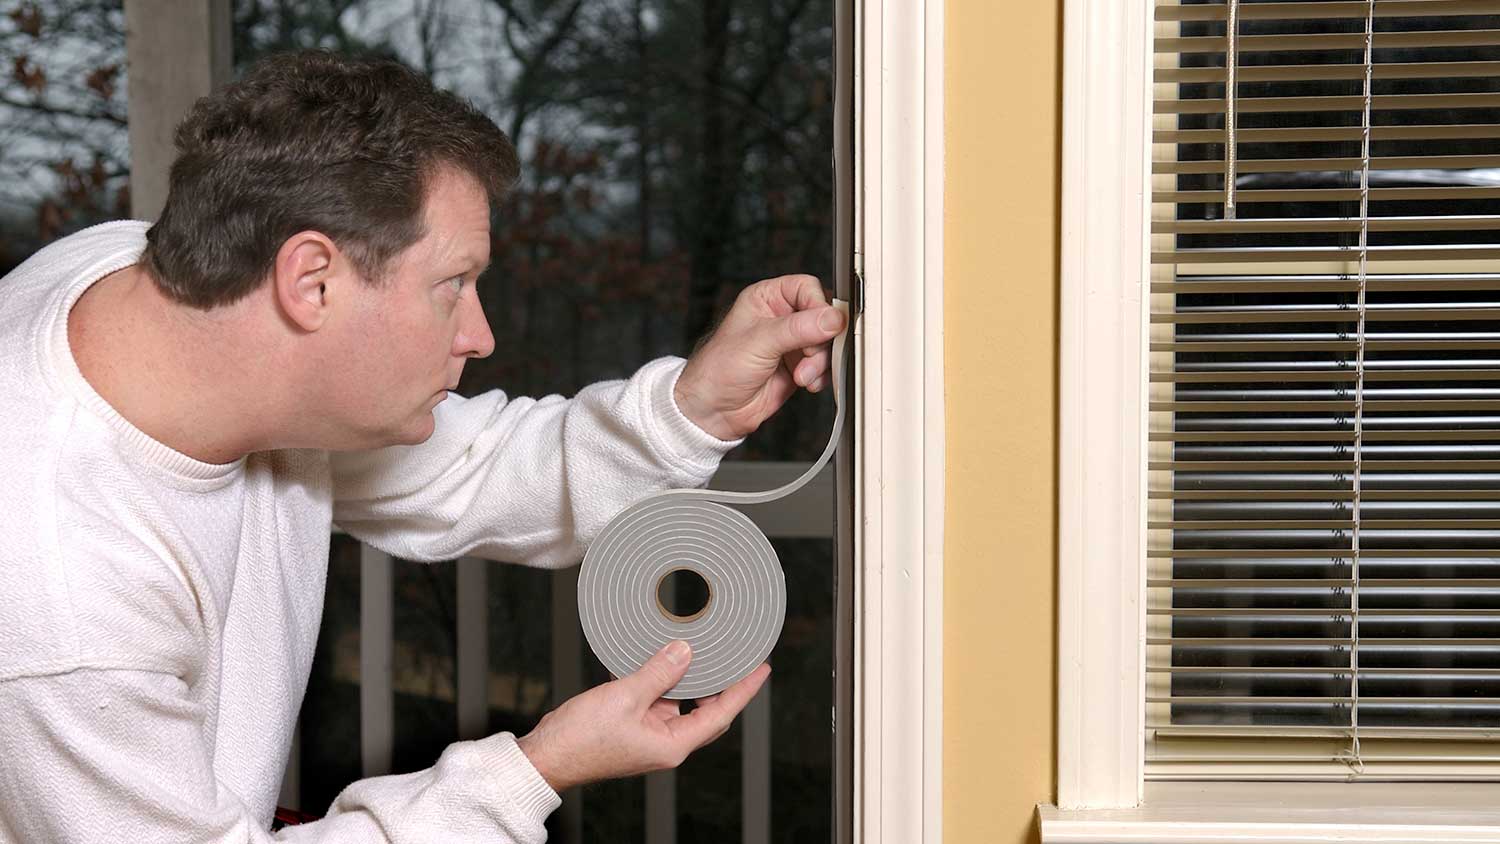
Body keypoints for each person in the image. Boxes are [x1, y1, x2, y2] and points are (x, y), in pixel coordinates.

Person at [0, 51, 844, 842]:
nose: (479, 334)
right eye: (454, 286)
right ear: (312, 281)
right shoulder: (61, 599)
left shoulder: (141, 278)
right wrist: (533, 772)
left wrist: (694, 409)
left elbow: (470, 471)